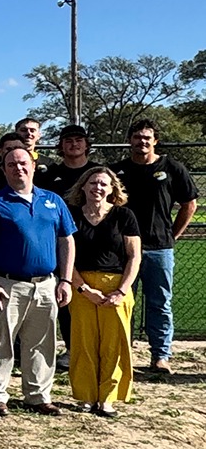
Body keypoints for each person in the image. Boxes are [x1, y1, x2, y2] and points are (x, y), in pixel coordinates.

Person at [0, 146, 76, 416]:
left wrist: (65, 280)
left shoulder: (53, 200)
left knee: (42, 342)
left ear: (33, 166)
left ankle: (38, 395)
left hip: (45, 284)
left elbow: (67, 240)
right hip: (6, 284)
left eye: (23, 163)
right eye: (11, 164)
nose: (18, 168)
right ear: (4, 169)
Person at [113, 119, 198, 376]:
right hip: (123, 250)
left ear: (155, 141)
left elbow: (189, 204)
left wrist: (172, 236)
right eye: (138, 137)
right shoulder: (117, 171)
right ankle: (121, 353)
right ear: (130, 140)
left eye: (147, 138)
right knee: (122, 301)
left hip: (158, 248)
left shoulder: (171, 167)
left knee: (160, 303)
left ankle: (160, 355)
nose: (142, 142)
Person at [65, 167, 141, 416]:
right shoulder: (72, 215)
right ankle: (86, 396)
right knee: (83, 343)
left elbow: (134, 256)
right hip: (82, 285)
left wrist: (121, 291)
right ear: (83, 187)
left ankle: (108, 397)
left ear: (112, 190)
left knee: (114, 345)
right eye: (93, 182)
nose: (98, 188)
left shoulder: (124, 216)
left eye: (104, 184)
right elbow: (65, 255)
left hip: (116, 286)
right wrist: (83, 288)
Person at [39, 124, 93, 198]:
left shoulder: (97, 172)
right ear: (61, 146)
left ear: (86, 145)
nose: (74, 144)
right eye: (69, 141)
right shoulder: (50, 174)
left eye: (78, 140)